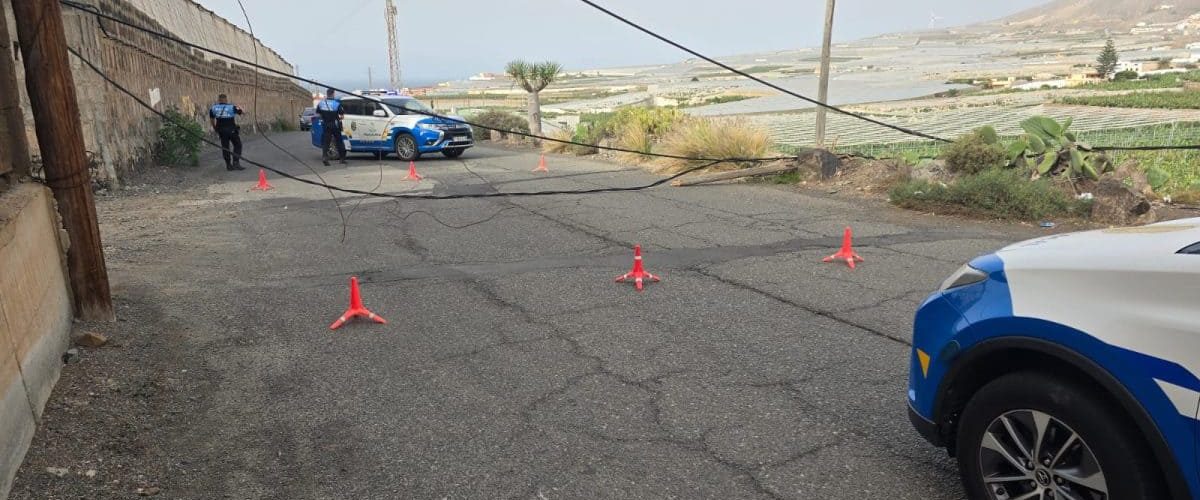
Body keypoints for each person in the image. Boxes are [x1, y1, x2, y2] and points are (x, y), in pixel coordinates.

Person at [209, 94, 245, 171]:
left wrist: (215, 128)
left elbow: (212, 120)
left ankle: (228, 165)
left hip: (221, 131)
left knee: (225, 147)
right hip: (231, 130)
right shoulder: (232, 107)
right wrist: (240, 109)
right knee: (237, 145)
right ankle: (236, 162)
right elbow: (241, 112)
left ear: (219, 100)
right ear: (226, 99)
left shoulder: (213, 108)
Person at [316, 88, 346, 166]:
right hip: (335, 125)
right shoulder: (336, 104)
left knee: (326, 142)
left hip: (326, 125)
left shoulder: (321, 104)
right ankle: (342, 159)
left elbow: (318, 115)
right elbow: (342, 115)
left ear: (327, 94)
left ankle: (325, 157)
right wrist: (339, 118)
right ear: (333, 94)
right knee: (339, 141)